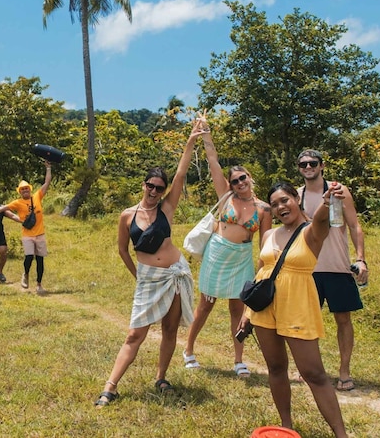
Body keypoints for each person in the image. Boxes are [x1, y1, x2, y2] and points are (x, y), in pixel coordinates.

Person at [94, 122, 203, 408]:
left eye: (159, 188)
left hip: (176, 274)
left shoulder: (167, 208)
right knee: (135, 333)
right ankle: (110, 386)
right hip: (148, 277)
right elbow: (122, 249)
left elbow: (181, 173)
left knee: (169, 328)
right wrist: (138, 275)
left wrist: (191, 140)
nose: (154, 191)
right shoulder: (127, 216)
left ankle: (161, 377)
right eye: (151, 186)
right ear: (143, 185)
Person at [236, 180, 348, 437]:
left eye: (284, 200)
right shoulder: (268, 235)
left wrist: (327, 202)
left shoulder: (311, 232)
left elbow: (322, 221)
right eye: (274, 204)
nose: (280, 207)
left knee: (314, 373)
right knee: (275, 368)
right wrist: (247, 312)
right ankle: (286, 426)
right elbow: (262, 270)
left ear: (296, 200)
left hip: (297, 306)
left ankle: (341, 434)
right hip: (265, 309)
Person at [182, 124, 271, 376]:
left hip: (242, 258)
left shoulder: (264, 209)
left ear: (250, 177)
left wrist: (263, 270)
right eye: (235, 181)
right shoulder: (226, 197)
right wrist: (206, 136)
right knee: (206, 305)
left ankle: (238, 360)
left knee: (238, 308)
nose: (239, 182)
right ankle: (188, 349)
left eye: (243, 178)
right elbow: (213, 162)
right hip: (217, 253)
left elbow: (266, 242)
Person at [297, 149, 368, 392]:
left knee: (343, 320)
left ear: (322, 165)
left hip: (338, 267)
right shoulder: (297, 196)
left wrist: (361, 259)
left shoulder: (339, 190)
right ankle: (307, 368)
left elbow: (354, 225)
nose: (308, 167)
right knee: (307, 321)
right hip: (309, 268)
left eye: (312, 163)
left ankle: (344, 371)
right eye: (303, 164)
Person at [0, 161, 52, 295]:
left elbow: (47, 183)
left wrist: (48, 168)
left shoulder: (37, 196)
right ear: (20, 192)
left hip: (40, 234)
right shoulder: (18, 203)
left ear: (30, 189)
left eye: (26, 188)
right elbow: (1, 208)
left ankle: (39, 284)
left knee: (40, 260)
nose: (25, 191)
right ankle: (25, 274)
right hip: (27, 235)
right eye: (22, 189)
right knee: (28, 257)